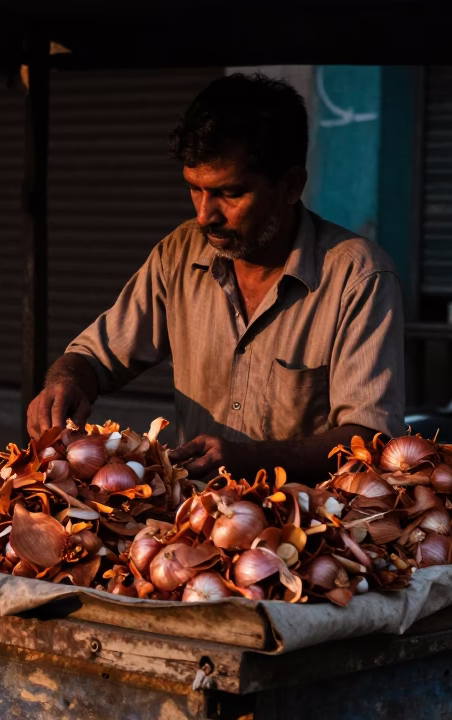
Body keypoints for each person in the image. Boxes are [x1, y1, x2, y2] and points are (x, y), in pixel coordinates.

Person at [26, 72, 405, 484]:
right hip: (194, 526)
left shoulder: (358, 276)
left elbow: (368, 440)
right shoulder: (179, 254)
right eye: (195, 189)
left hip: (310, 530)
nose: (206, 215)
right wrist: (65, 383)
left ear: (291, 185)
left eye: (230, 193)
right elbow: (93, 358)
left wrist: (253, 460)